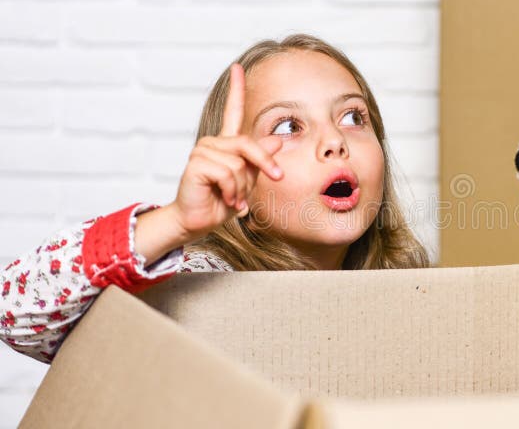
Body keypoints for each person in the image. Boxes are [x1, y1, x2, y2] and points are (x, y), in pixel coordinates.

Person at [0, 34, 430, 364]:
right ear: (237, 173)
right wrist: (175, 222)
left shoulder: (414, 290)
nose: (334, 140)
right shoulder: (197, 285)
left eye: (353, 117)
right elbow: (15, 312)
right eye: (287, 127)